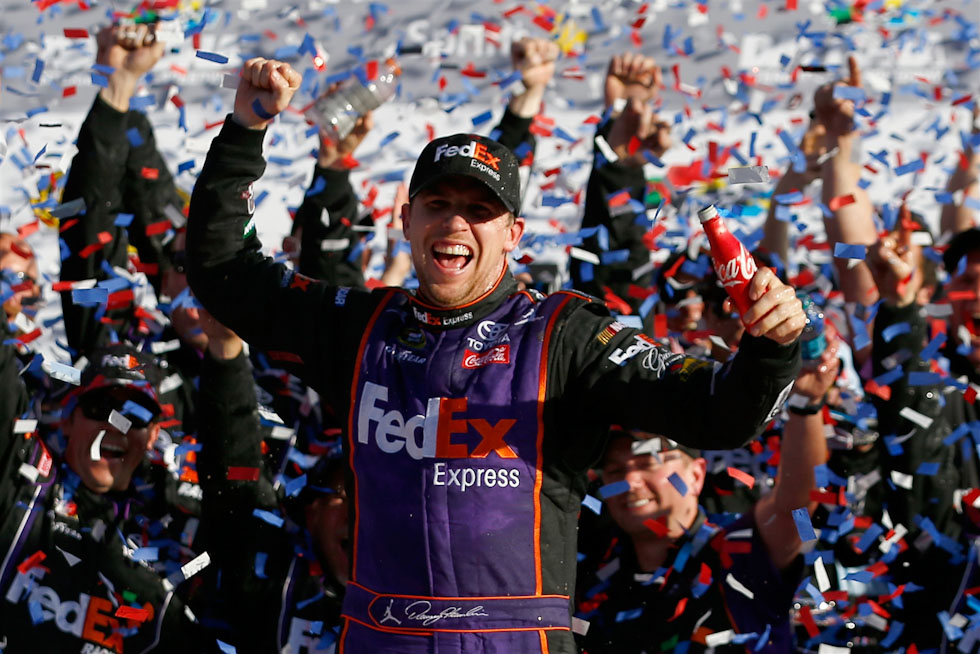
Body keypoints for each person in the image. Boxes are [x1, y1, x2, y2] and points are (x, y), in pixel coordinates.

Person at [186, 55, 806, 653]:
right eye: (438, 205)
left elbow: (718, 414)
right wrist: (245, 131)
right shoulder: (361, 328)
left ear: (513, 235)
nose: (455, 224)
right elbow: (223, 271)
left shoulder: (565, 336)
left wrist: (771, 348)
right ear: (407, 220)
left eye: (479, 211)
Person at [575, 337, 837, 653]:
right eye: (615, 470)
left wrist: (806, 404)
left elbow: (795, 508)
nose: (630, 481)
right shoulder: (587, 574)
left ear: (697, 475)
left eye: (647, 463)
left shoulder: (738, 554)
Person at [0, 343, 204, 652]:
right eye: (100, 407)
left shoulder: (174, 538)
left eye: (132, 416)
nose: (114, 426)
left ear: (153, 435)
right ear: (68, 420)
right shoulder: (22, 483)